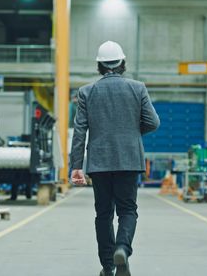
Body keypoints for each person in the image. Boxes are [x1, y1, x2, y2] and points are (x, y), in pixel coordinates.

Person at [70, 41, 160, 276]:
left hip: (99, 163)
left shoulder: (86, 92)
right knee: (127, 210)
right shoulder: (137, 88)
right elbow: (153, 122)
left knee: (103, 214)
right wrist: (130, 133)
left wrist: (76, 166)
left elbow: (79, 130)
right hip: (129, 159)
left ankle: (108, 266)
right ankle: (122, 248)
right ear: (122, 63)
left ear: (99, 65)